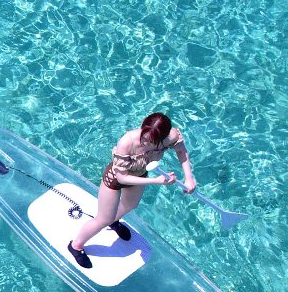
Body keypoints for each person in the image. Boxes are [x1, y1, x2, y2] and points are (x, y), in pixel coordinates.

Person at [67, 111, 195, 269]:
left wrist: (188, 177)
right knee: (103, 219)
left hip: (140, 175)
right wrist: (156, 181)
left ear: (163, 139)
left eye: (151, 142)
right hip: (115, 179)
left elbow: (181, 151)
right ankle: (76, 246)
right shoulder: (127, 142)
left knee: (130, 205)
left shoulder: (171, 136)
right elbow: (122, 178)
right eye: (144, 137)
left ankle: (114, 221)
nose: (145, 143)